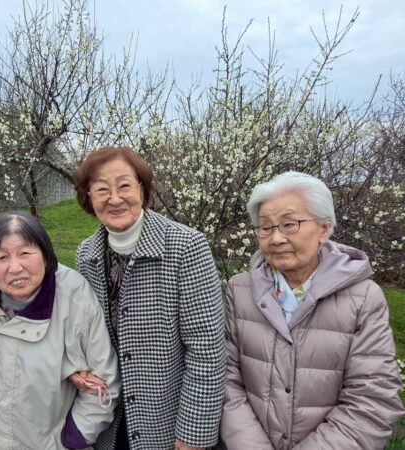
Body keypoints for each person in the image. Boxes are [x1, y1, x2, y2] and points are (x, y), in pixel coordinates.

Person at [221, 171, 404, 449]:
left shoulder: (363, 298)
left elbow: (372, 400)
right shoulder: (240, 290)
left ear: (323, 229)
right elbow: (225, 381)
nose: (276, 238)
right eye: (265, 227)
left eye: (289, 224)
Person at [0, 211, 120, 449]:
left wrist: (72, 438)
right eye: (1, 257)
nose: (15, 267)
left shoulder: (75, 296)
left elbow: (105, 382)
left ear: (46, 254)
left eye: (25, 253)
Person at [71, 147, 226, 450]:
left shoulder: (185, 247)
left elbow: (207, 349)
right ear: (88, 197)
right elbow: (82, 332)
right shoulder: (87, 255)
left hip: (167, 424)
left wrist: (192, 435)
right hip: (107, 420)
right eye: (101, 189)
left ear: (142, 189)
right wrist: (74, 368)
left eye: (124, 185)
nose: (115, 198)